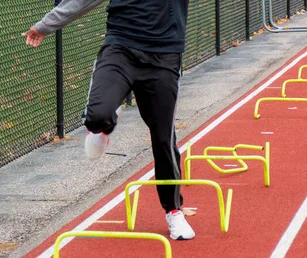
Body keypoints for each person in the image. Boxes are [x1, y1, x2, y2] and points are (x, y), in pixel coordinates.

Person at [22, 0, 195, 240]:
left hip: (164, 57)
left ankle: (174, 210)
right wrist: (45, 25)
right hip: (120, 50)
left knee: (163, 139)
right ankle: (104, 124)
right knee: (97, 116)